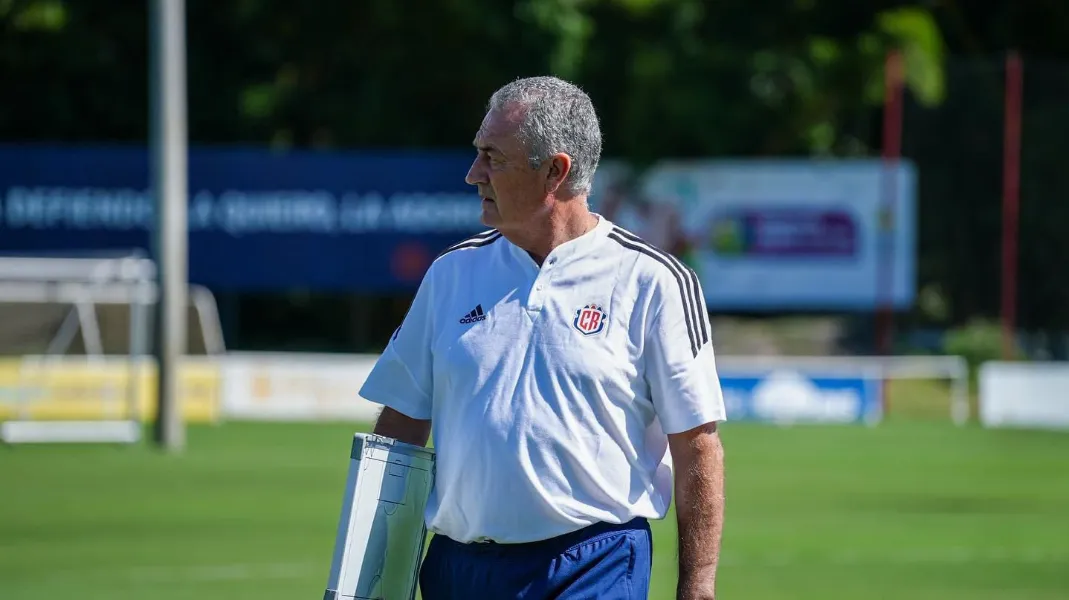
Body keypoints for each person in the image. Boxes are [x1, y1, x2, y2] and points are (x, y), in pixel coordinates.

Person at [359, 76, 726, 600]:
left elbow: (697, 446)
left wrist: (698, 588)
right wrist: (366, 579)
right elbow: (399, 426)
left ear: (555, 171)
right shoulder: (451, 274)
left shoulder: (653, 281)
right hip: (458, 569)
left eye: (494, 158)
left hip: (593, 565)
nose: (473, 175)